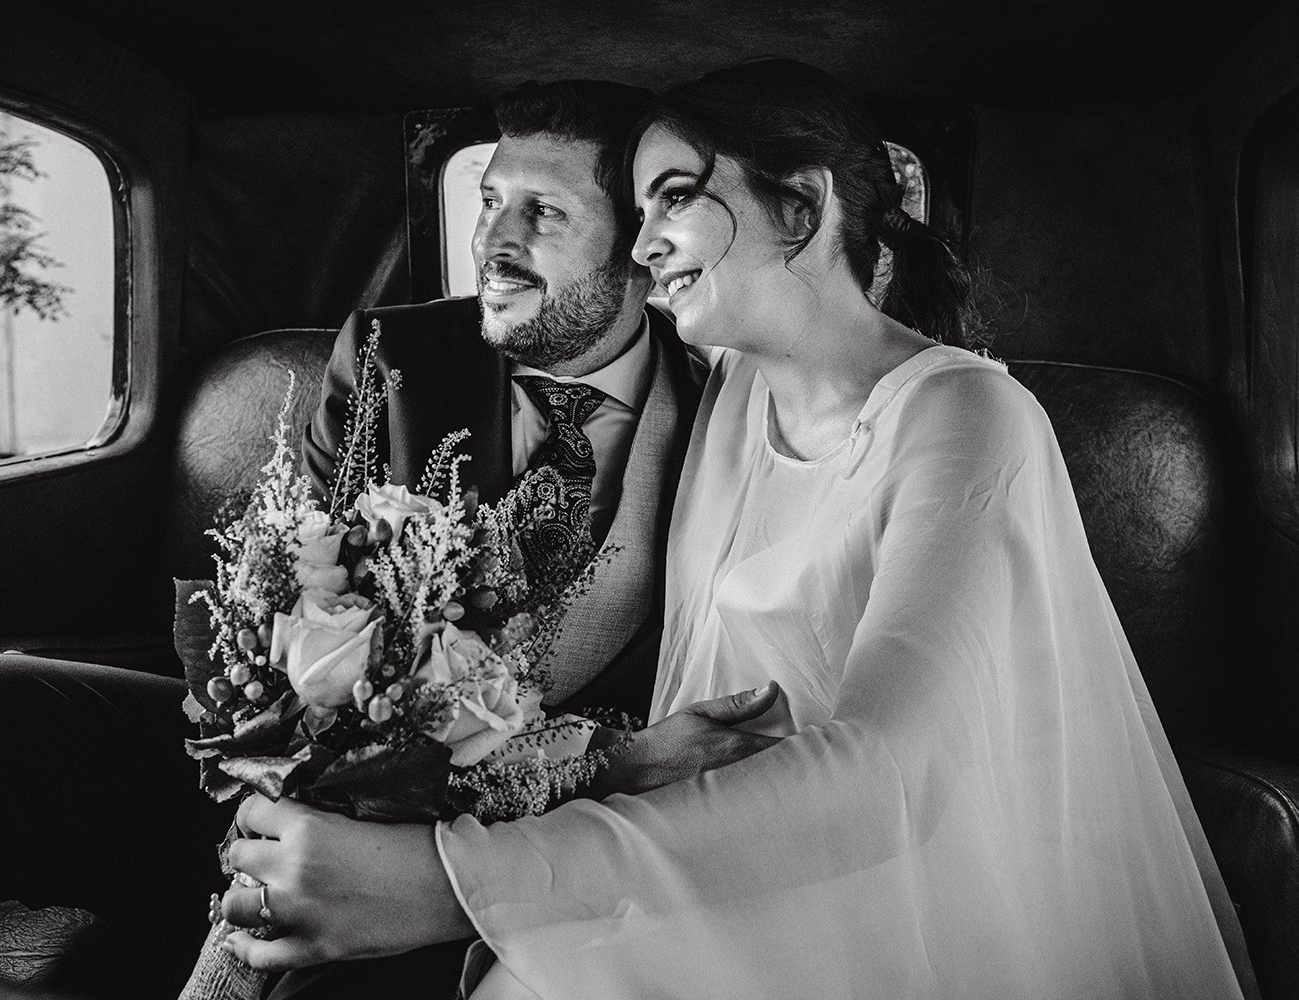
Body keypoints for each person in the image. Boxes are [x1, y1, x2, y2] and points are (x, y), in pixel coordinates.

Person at [211, 61, 1260, 999]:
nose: (644, 239)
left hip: (886, 877)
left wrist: (454, 883)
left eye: (672, 199)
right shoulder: (733, 393)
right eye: (633, 206)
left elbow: (892, 775)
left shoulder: (966, 416)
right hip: (691, 849)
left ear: (799, 211)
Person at [0, 78, 775, 1000]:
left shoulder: (728, 412)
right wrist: (304, 711)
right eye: (490, 201)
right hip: (305, 751)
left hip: (523, 830)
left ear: (643, 244)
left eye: (544, 214)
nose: (496, 241)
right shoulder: (392, 352)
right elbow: (303, 580)